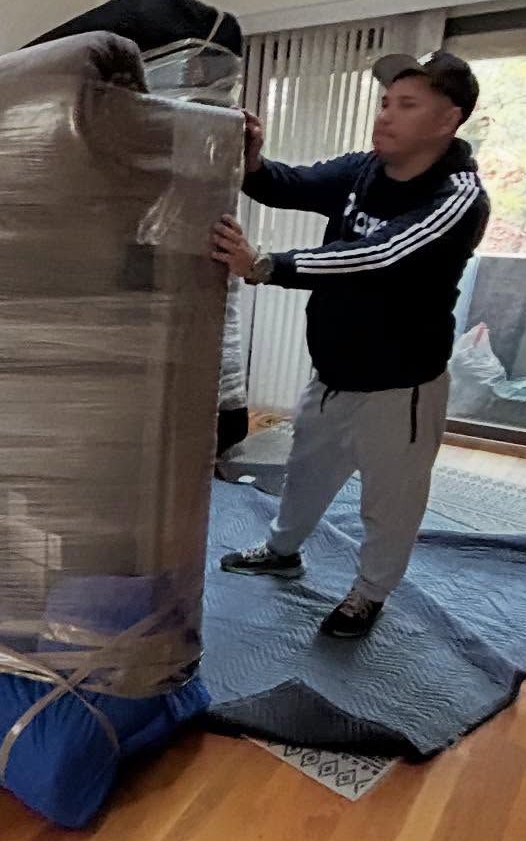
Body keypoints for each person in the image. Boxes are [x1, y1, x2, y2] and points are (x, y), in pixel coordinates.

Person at [210, 50, 490, 639]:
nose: (385, 116)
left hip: (401, 387)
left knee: (390, 505)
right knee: (305, 475)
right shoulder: (364, 170)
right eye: (385, 102)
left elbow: (380, 254)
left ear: (448, 120)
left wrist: (265, 264)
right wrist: (254, 162)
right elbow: (293, 184)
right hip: (334, 371)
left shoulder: (458, 196)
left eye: (406, 105)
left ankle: (368, 595)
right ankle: (283, 550)